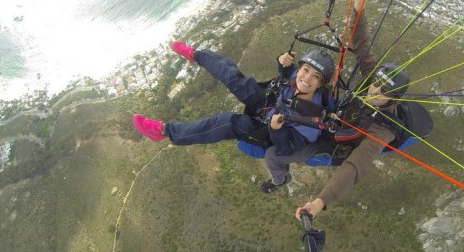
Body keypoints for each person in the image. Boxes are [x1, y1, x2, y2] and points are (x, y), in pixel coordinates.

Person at [295, 0, 430, 220]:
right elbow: (361, 41)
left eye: (383, 90)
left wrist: (320, 202)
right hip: (345, 115)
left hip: (349, 136)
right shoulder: (372, 76)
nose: (374, 89)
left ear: (393, 99)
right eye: (376, 82)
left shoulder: (384, 128)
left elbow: (357, 165)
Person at [132, 41, 335, 192]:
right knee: (233, 78)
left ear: (320, 85)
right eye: (305, 70)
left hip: (272, 133)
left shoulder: (311, 119)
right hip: (270, 105)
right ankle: (197, 55)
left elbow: (284, 151)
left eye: (315, 76)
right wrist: (282, 61)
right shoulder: (296, 77)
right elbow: (289, 73)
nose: (306, 78)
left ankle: (164, 131)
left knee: (229, 122)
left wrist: (275, 129)